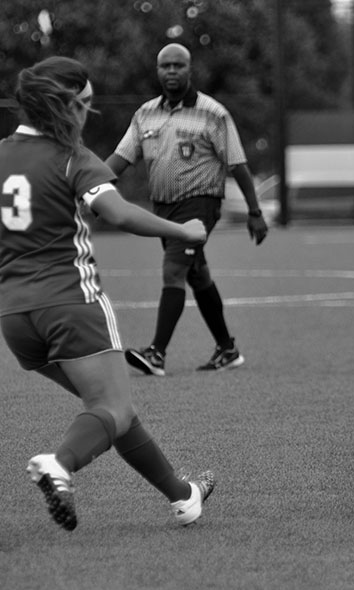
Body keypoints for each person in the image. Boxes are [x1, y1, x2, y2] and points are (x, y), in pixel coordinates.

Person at [0, 56, 215, 531]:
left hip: (15, 318)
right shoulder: (70, 156)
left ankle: (183, 497)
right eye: (85, 104)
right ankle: (60, 465)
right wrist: (184, 231)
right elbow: (116, 213)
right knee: (110, 409)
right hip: (70, 304)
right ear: (66, 105)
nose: (87, 114)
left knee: (111, 411)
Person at [106, 43, 268, 377]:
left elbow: (237, 165)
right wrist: (92, 188)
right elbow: (120, 160)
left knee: (174, 271)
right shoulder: (145, 114)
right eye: (165, 66)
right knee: (197, 274)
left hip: (200, 205)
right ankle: (227, 349)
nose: (172, 71)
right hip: (163, 209)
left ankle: (156, 353)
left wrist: (255, 211)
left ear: (189, 70)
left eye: (178, 65)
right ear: (157, 70)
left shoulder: (213, 113)